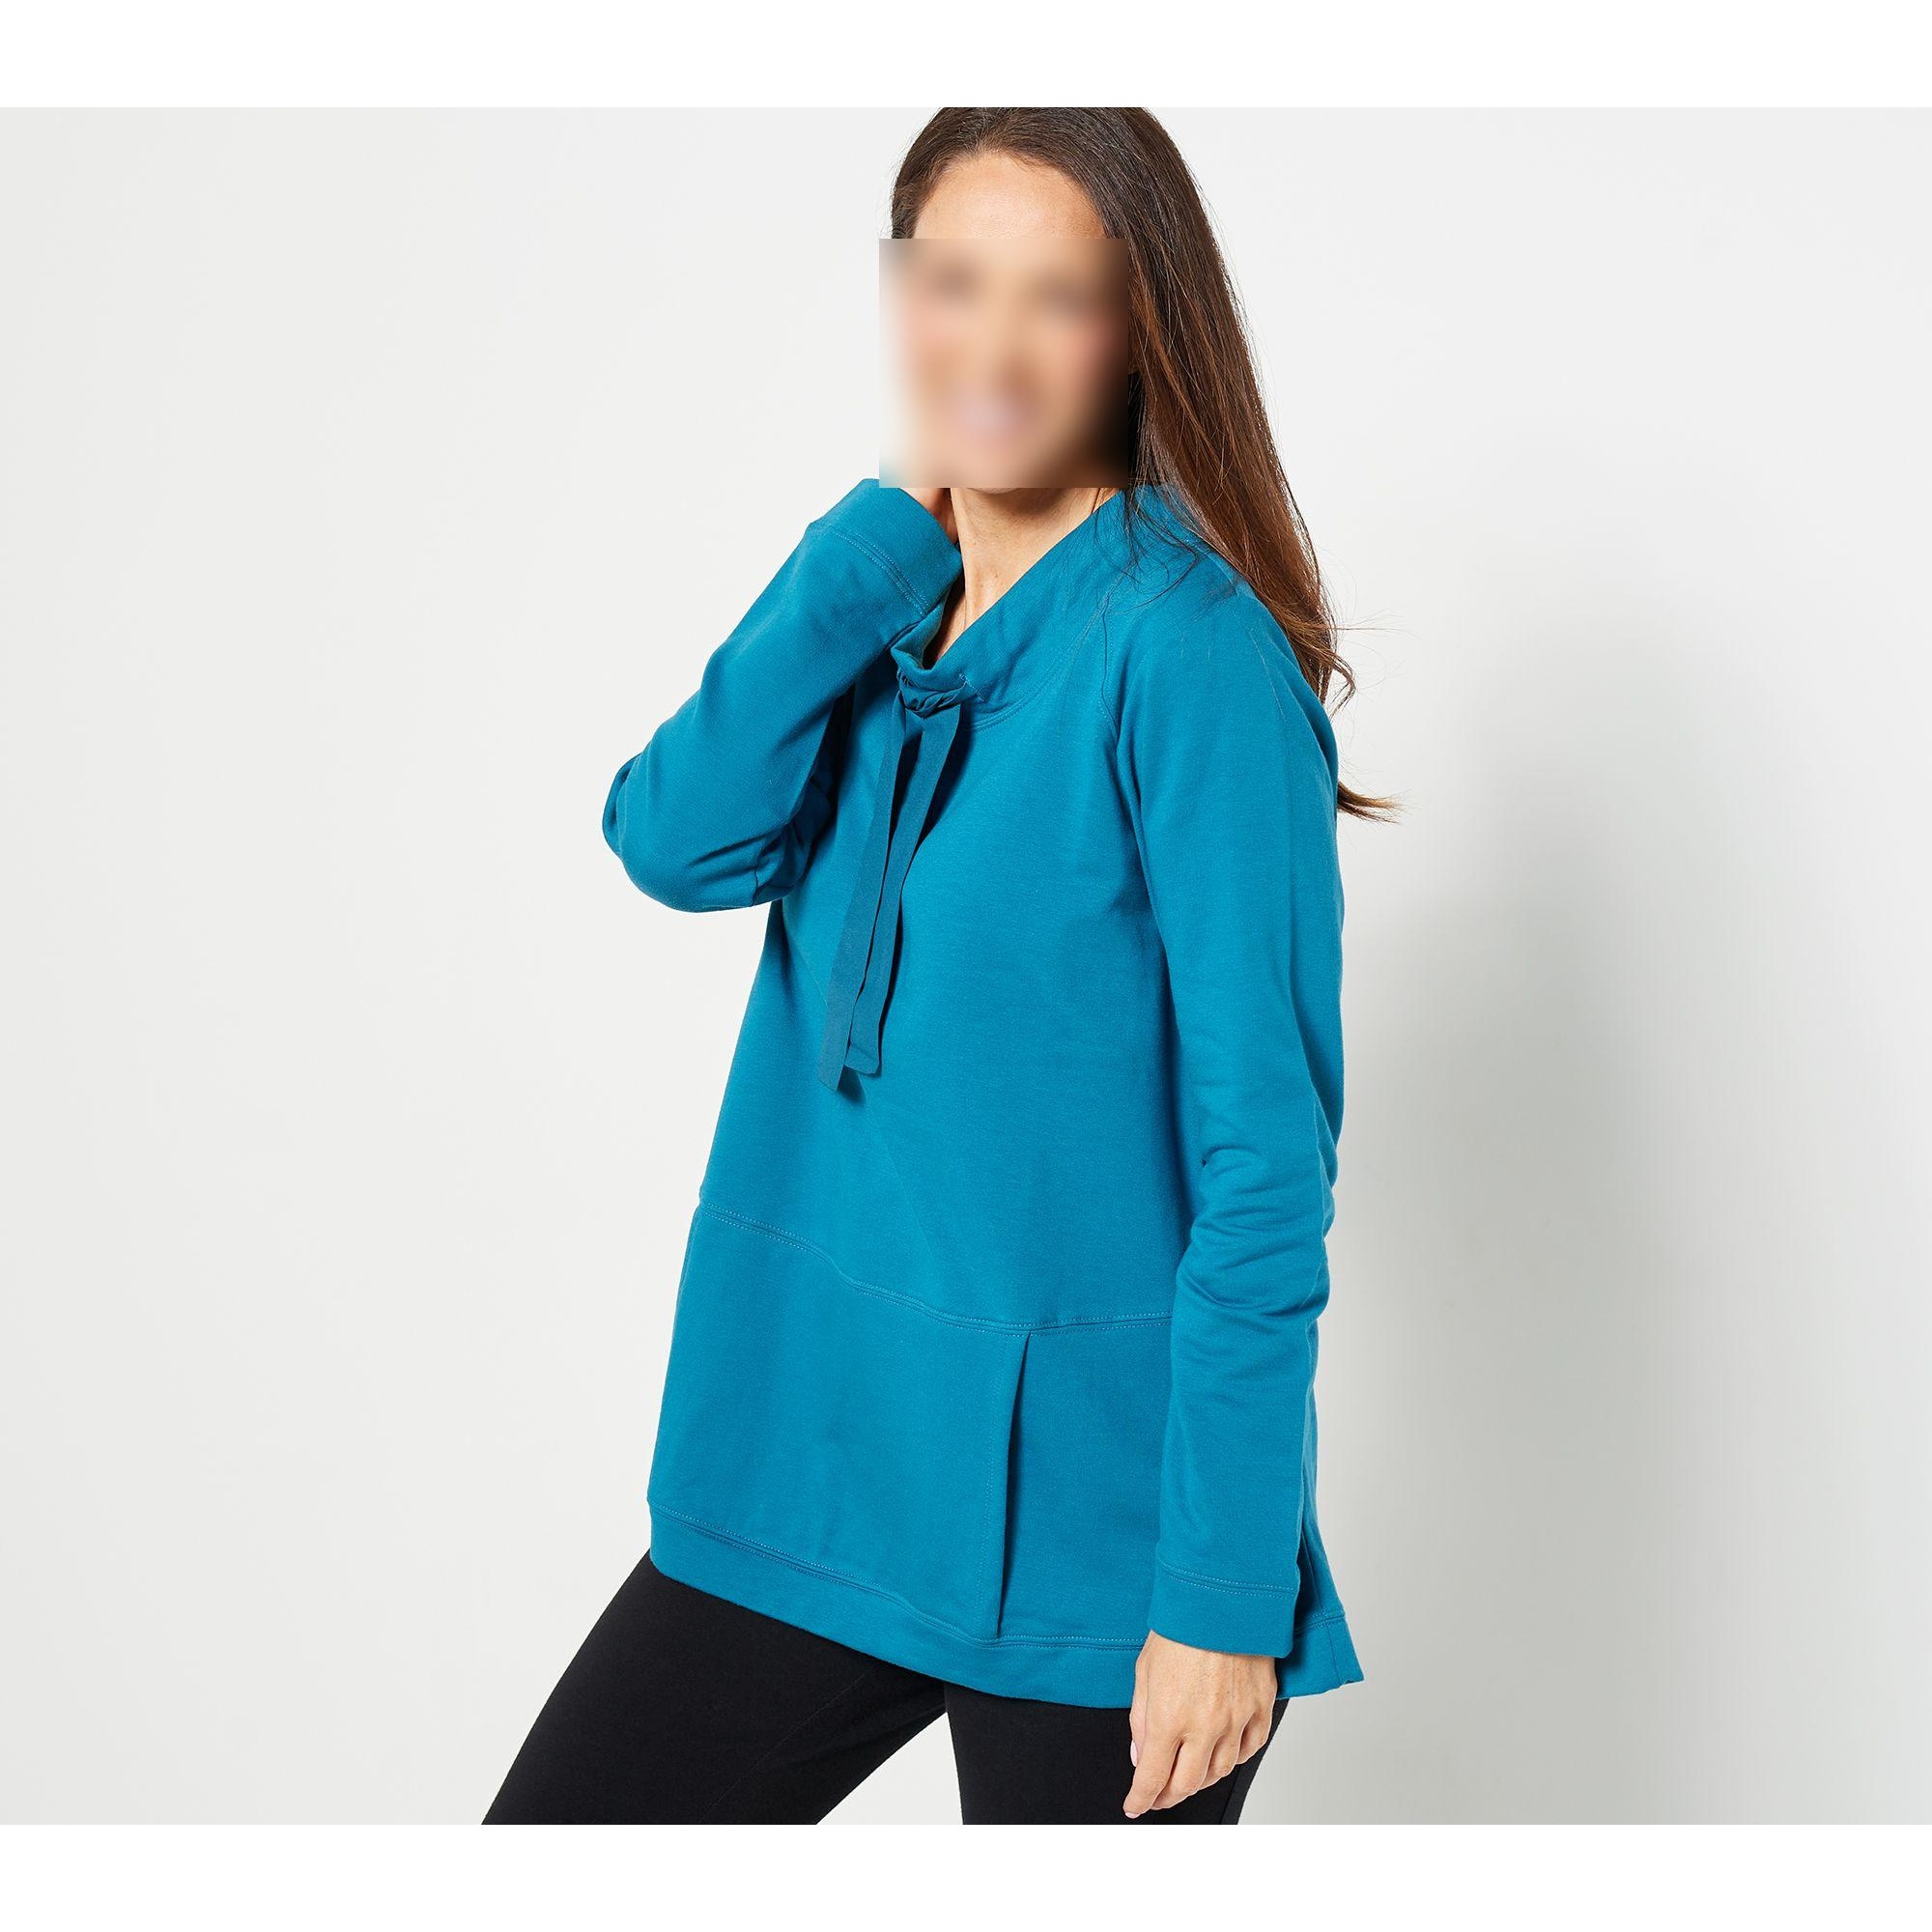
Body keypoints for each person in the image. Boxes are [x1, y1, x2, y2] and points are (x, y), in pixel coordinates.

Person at [486, 105, 1389, 1828]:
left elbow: (1266, 1163)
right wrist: (865, 548)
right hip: (805, 1454)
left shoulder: (1189, 655)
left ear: (1140, 330)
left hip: (1097, 1532)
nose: (993, 346)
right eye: (954, 282)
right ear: (897, 285)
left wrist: (1217, 1599)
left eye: (1060, 297)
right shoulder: (878, 605)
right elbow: (674, 843)